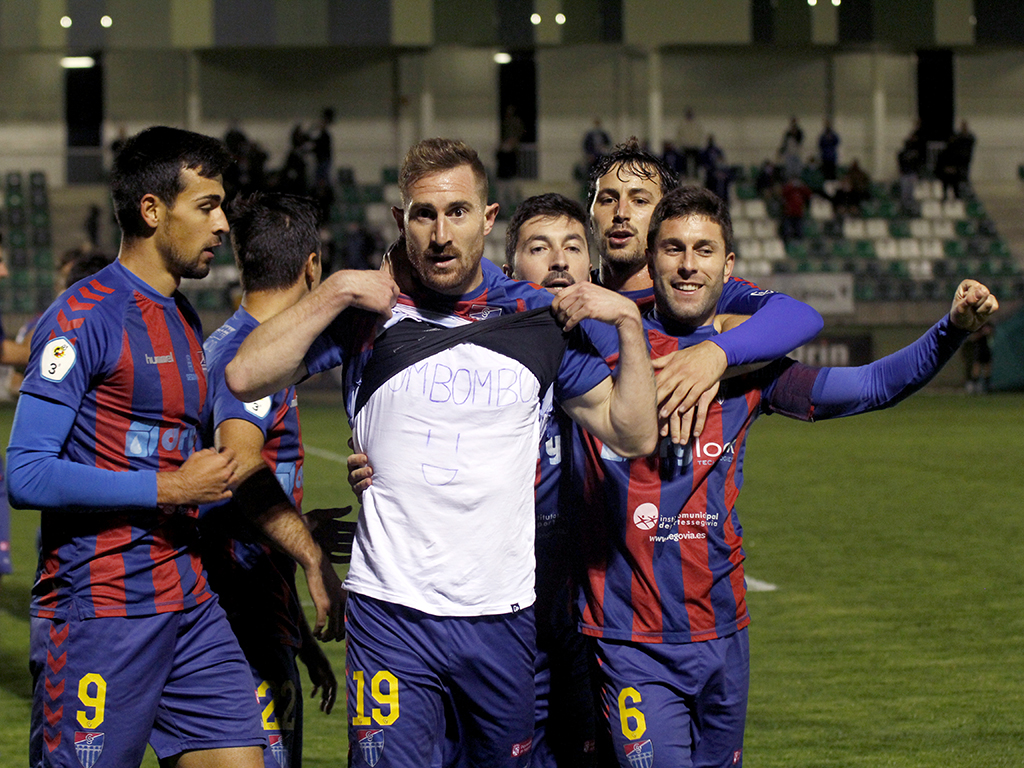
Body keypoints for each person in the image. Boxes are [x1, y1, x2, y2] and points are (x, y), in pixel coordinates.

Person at [225, 138, 659, 768]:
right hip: (391, 615)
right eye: (423, 215)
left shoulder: (537, 319)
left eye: (457, 212)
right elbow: (245, 375)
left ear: (487, 219)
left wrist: (628, 326)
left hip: (502, 616)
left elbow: (634, 434)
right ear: (402, 222)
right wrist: (339, 289)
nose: (440, 233)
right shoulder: (370, 312)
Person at [571, 185, 998, 768]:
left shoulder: (751, 366)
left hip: (724, 630)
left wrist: (949, 330)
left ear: (729, 267)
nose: (688, 265)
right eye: (672, 248)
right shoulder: (601, 345)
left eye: (703, 250)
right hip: (631, 639)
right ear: (652, 257)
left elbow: (872, 385)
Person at [7, 126, 268, 768]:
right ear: (153, 210)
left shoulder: (182, 315)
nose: (223, 224)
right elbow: (26, 473)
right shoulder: (81, 317)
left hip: (187, 598)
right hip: (100, 610)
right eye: (206, 206)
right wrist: (173, 488)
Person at [201, 192, 351, 768]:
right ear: (313, 265)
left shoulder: (221, 344)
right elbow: (240, 465)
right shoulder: (256, 357)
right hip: (239, 617)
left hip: (251, 607)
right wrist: (312, 555)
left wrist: (298, 636)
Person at [585, 137, 824, 442]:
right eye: (607, 199)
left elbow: (800, 316)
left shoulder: (697, 291)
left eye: (639, 200)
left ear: (666, 216)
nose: (621, 212)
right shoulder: (572, 299)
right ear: (590, 215)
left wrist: (715, 355)